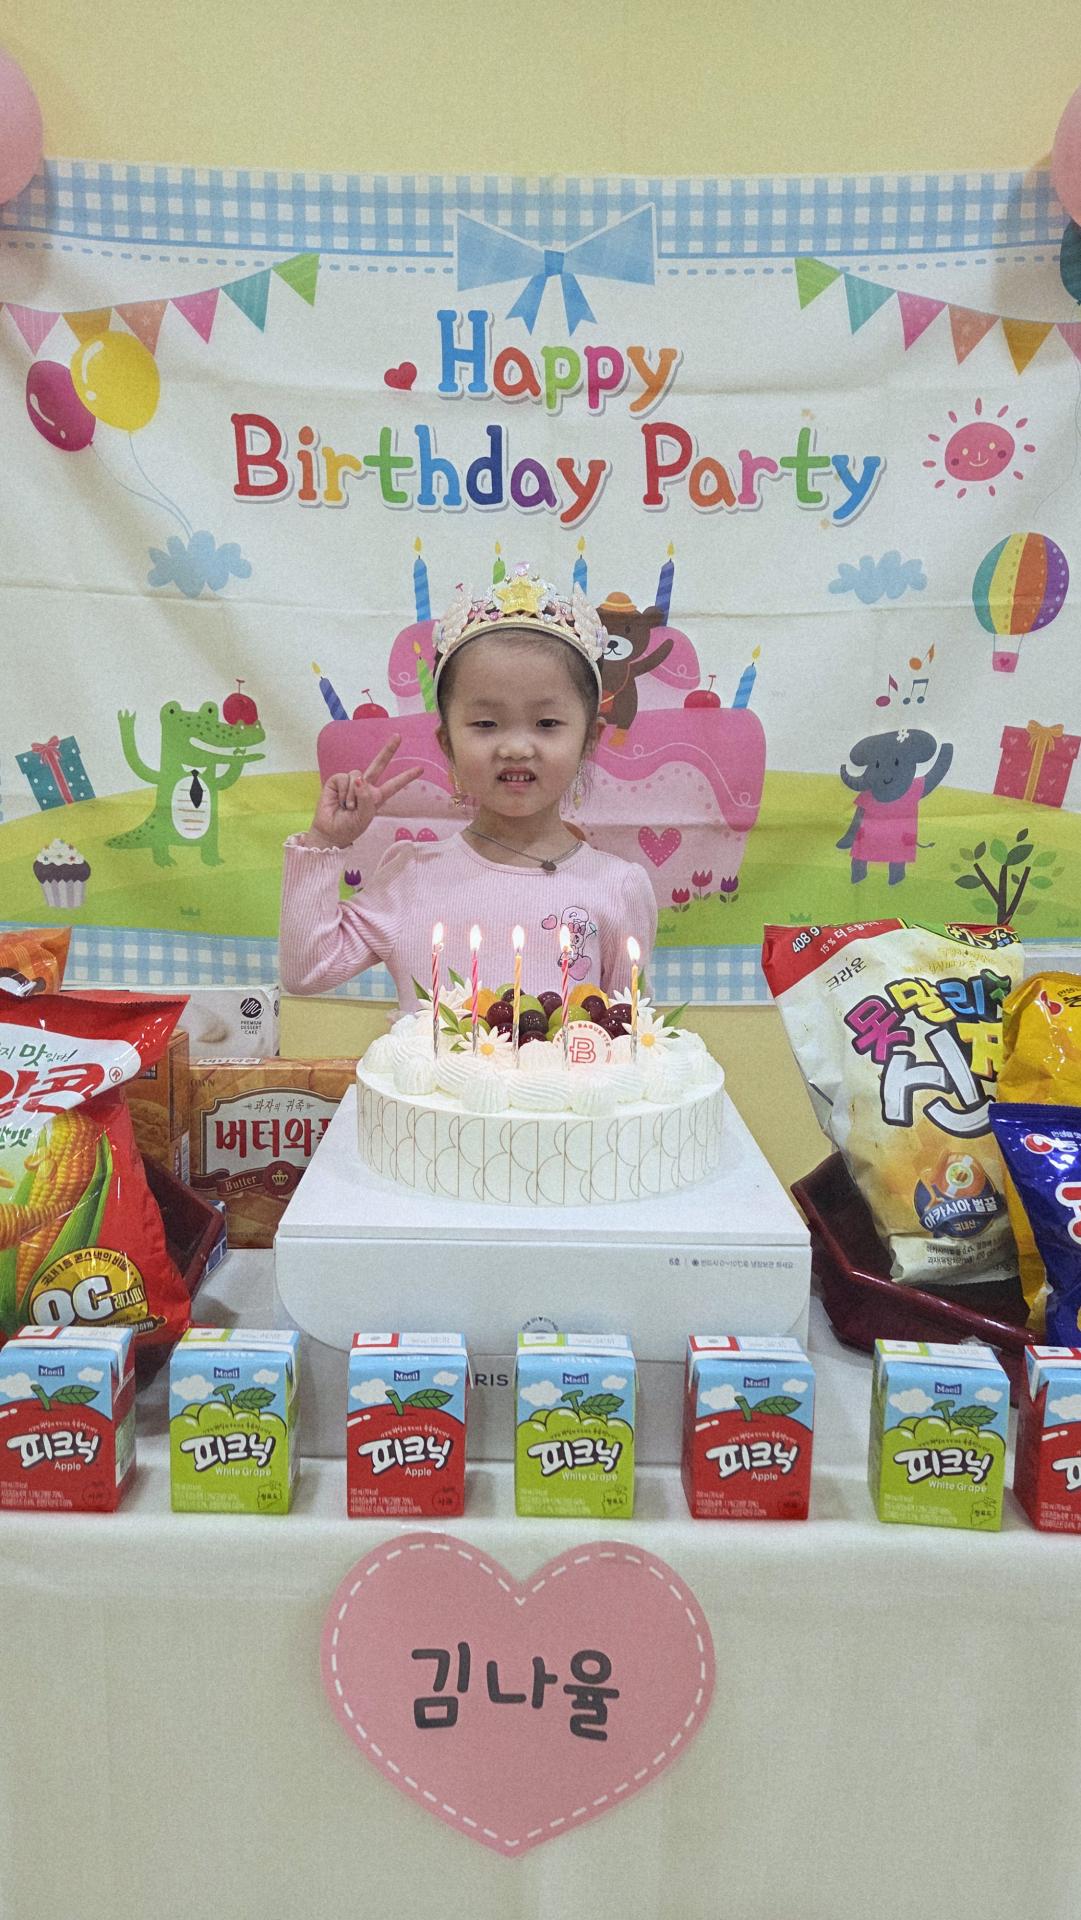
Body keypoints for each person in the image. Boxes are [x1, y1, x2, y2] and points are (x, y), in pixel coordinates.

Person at [279, 564, 657, 1010]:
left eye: (547, 723)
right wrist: (325, 841)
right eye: (486, 724)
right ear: (448, 744)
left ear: (589, 739)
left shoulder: (617, 888)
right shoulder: (412, 877)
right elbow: (307, 971)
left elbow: (628, 1030)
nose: (516, 747)